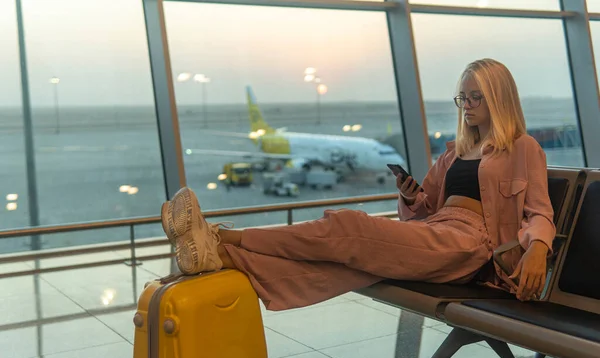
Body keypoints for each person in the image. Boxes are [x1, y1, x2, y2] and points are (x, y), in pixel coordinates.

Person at [160, 58, 555, 311]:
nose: (466, 105)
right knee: (340, 264)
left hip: (472, 246)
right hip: (437, 232)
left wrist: (538, 248)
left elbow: (540, 211)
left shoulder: (522, 148)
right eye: (462, 98)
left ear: (498, 98)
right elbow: (422, 212)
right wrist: (410, 197)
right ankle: (219, 257)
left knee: (348, 228)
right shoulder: (453, 154)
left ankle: (224, 237)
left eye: (475, 97)